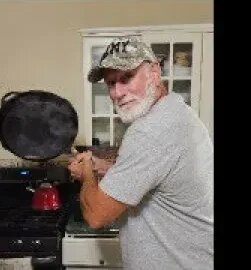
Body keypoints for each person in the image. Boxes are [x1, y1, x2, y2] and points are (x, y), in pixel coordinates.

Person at [68, 36, 213, 270]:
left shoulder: (150, 131)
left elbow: (96, 215)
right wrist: (104, 167)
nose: (118, 92)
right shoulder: (177, 110)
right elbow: (158, 173)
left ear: (154, 72)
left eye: (127, 78)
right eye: (111, 83)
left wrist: (86, 171)